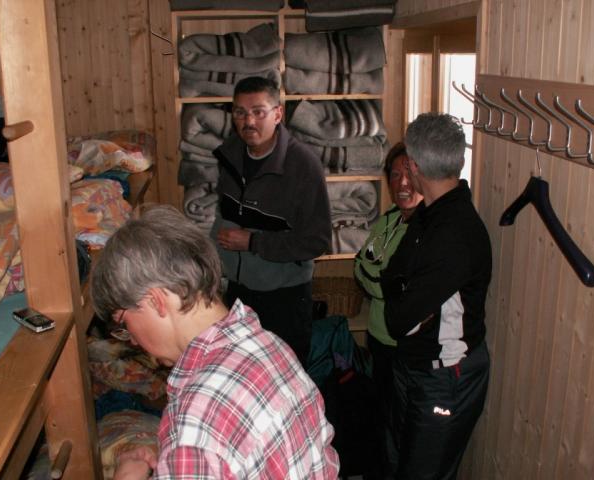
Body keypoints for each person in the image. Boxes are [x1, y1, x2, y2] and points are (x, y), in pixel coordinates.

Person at [91, 205, 339, 480]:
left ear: (156, 301)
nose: (134, 341)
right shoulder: (267, 344)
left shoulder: (198, 419)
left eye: (124, 323)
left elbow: (206, 440)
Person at [381, 113, 492, 480]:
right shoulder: (427, 214)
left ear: (413, 166)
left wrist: (404, 295)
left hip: (445, 378)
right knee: (396, 465)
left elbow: (398, 320)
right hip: (413, 366)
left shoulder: (455, 234)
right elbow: (390, 275)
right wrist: (405, 295)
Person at [212, 76, 331, 366]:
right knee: (240, 373)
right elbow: (223, 214)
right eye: (240, 112)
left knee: (286, 376)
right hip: (238, 293)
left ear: (278, 114)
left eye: (258, 112)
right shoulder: (229, 155)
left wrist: (253, 242)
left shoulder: (303, 165)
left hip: (284, 298)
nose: (248, 121)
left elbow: (317, 241)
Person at [353, 142, 422, 475]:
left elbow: (388, 285)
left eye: (409, 174)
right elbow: (360, 267)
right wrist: (377, 277)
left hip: (403, 349)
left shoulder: (425, 230)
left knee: (398, 433)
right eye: (395, 175)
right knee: (379, 423)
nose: (402, 183)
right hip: (378, 338)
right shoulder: (390, 218)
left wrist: (376, 276)